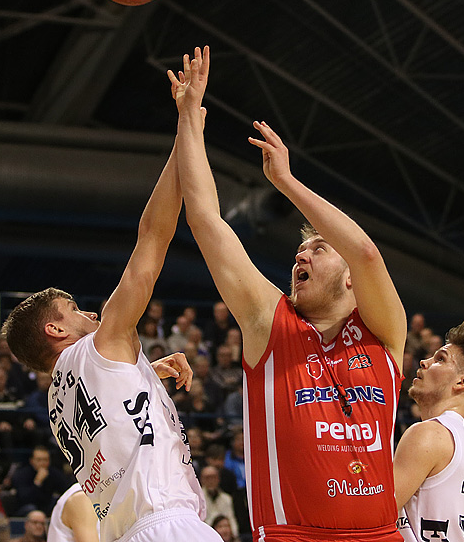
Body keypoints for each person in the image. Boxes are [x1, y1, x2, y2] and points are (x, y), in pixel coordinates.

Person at [172, 46, 407, 538]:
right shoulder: (268, 321)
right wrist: (190, 118)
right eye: (300, 252)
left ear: (347, 279)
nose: (300, 257)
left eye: (318, 249)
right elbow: (206, 221)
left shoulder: (384, 331)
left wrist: (286, 181)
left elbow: (364, 252)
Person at [1, 57, 219, 542]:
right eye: (74, 311)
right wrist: (187, 125)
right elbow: (152, 239)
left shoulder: (59, 398)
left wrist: (145, 371)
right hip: (166, 525)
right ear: (54, 330)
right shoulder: (99, 346)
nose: (92, 314)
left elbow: (114, 414)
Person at [392, 323, 464, 542]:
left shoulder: (430, 434)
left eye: (440, 359)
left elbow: (374, 514)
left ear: (462, 382)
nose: (424, 362)